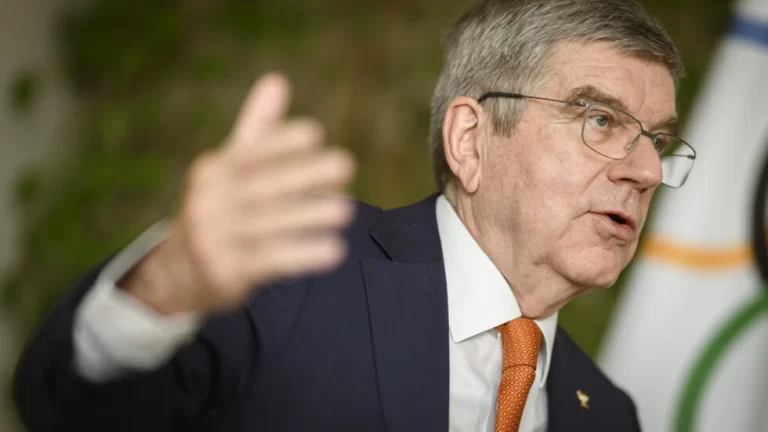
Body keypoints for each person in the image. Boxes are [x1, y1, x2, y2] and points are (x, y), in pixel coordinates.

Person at [12, 0, 696, 431]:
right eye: (601, 120)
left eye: (658, 141)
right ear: (471, 141)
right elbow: (70, 410)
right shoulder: (295, 266)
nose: (645, 171)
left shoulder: (608, 415)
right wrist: (165, 288)